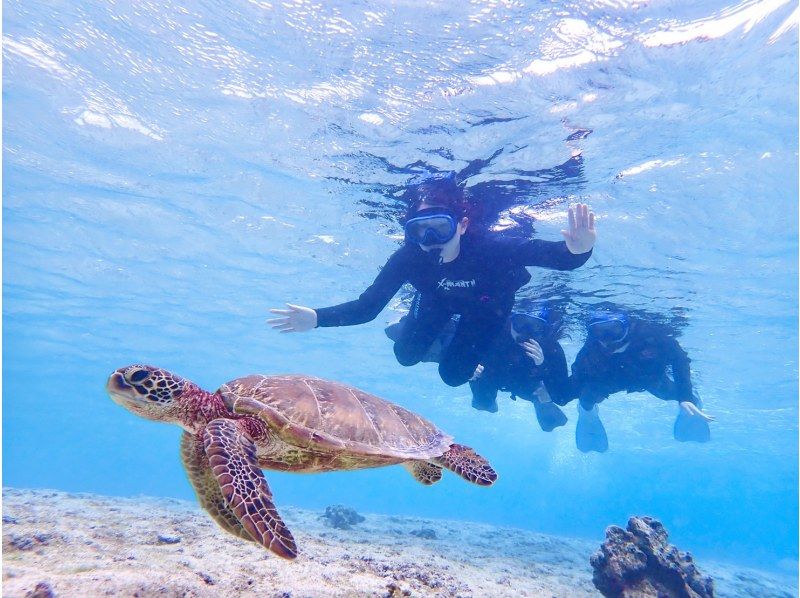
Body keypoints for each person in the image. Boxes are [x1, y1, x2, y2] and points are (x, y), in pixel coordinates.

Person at [268, 172, 597, 387]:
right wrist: (317, 318)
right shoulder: (410, 258)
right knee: (405, 356)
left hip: (488, 310)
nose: (429, 238)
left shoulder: (492, 250)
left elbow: (558, 258)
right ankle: (436, 331)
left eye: (440, 227)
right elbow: (367, 308)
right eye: (418, 230)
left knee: (453, 376)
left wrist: (579, 250)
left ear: (463, 225)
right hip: (436, 300)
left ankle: (453, 343)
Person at [384, 306, 571, 432]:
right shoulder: (491, 329)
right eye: (521, 324)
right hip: (486, 376)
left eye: (535, 328)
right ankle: (487, 401)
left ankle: (541, 404)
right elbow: (453, 345)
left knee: (543, 396)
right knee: (483, 404)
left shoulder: (550, 348)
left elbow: (562, 391)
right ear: (510, 320)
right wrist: (465, 368)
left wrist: (543, 366)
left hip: (526, 384)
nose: (525, 333)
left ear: (544, 330)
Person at [569, 311, 715, 453]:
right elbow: (578, 373)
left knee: (680, 396)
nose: (608, 337)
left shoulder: (653, 335)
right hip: (612, 378)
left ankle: (692, 404)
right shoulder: (593, 346)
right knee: (587, 397)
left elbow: (680, 360)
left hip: (649, 377)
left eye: (615, 329)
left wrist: (685, 397)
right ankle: (587, 413)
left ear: (628, 325)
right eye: (598, 331)